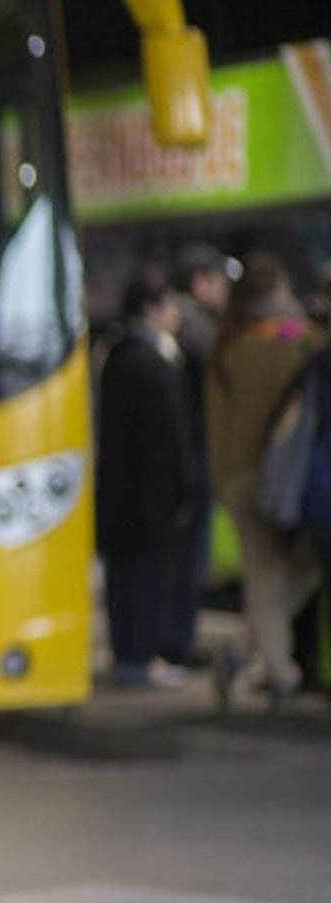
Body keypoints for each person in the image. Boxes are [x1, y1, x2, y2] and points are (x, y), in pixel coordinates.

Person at [206, 251, 323, 714]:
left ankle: (241, 650)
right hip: (290, 475)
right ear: (279, 289)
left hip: (239, 474)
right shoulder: (297, 339)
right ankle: (279, 673)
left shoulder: (227, 344)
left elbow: (215, 423)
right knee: (296, 568)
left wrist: (221, 479)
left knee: (264, 574)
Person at [95, 270, 199, 688]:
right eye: (171, 306)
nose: (175, 315)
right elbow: (174, 436)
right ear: (151, 309)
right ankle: (143, 659)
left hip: (118, 489)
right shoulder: (154, 364)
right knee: (150, 578)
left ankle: (128, 656)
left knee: (123, 578)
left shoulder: (115, 354)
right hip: (151, 494)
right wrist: (184, 490)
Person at [165, 243, 230, 667]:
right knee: (188, 558)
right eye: (221, 280)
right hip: (191, 460)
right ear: (200, 283)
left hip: (186, 458)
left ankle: (177, 639)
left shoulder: (185, 326)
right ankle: (179, 642)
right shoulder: (196, 327)